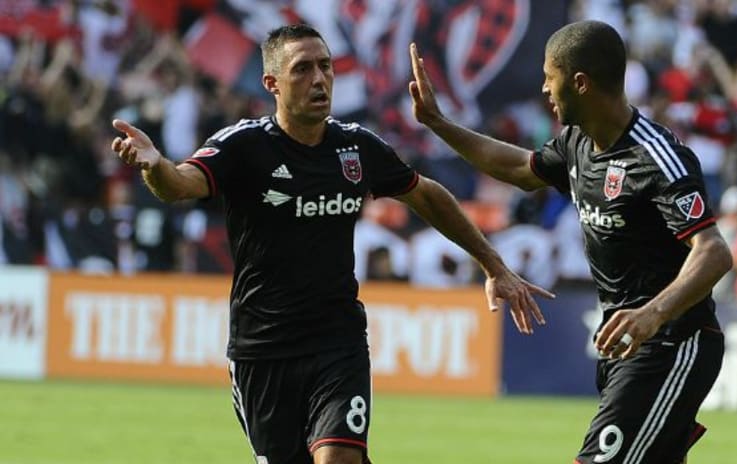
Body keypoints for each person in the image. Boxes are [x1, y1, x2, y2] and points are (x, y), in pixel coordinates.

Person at [111, 24, 552, 464]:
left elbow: (426, 194)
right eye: (302, 69)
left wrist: (494, 265)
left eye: (325, 66)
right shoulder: (243, 146)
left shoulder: (356, 148)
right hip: (262, 353)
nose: (319, 79)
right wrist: (154, 166)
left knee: (338, 458)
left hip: (336, 344)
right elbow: (180, 185)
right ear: (272, 84)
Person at [409, 20, 733, 464]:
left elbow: (714, 250)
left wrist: (652, 315)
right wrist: (439, 124)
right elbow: (519, 169)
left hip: (673, 343)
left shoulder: (656, 158)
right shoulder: (577, 142)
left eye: (550, 76)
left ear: (579, 83)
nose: (543, 88)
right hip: (626, 344)